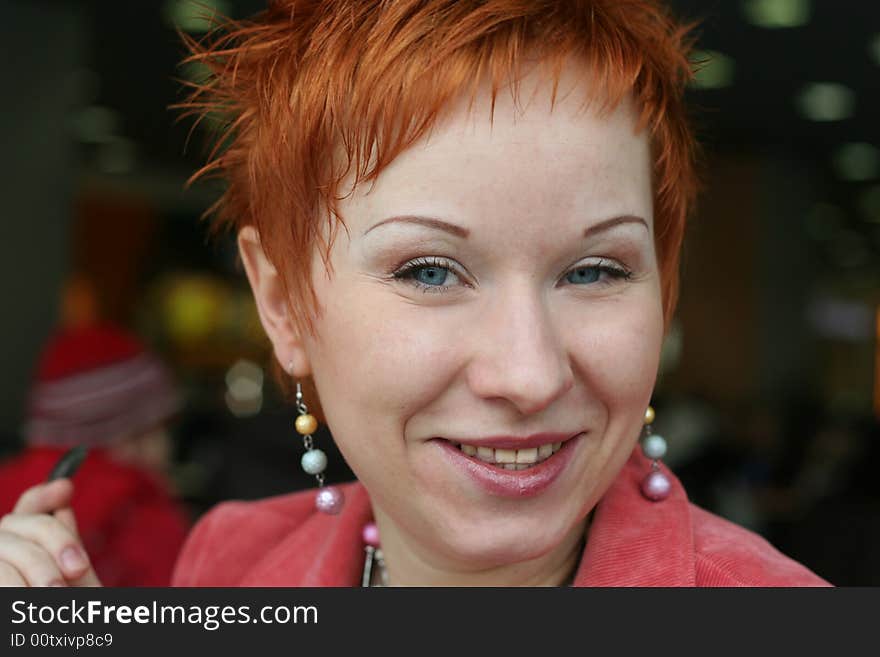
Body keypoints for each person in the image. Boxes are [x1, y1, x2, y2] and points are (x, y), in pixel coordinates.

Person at [0, 0, 829, 587]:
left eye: (594, 270)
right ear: (283, 305)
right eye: (430, 271)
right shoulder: (230, 563)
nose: (529, 373)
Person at [0, 323, 190, 586]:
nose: (166, 446)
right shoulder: (142, 512)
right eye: (155, 429)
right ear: (127, 435)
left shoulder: (8, 488)